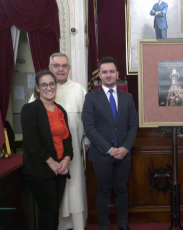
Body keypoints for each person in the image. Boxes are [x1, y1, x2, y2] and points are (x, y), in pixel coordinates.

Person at [29, 53, 88, 230]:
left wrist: (76, 151)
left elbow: (86, 123)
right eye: (56, 66)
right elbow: (33, 134)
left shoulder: (79, 90)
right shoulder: (37, 96)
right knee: (50, 205)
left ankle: (76, 225)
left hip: (71, 155)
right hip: (47, 160)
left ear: (69, 68)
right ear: (50, 67)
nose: (60, 69)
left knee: (74, 191)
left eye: (64, 66)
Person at [82, 56, 138, 230]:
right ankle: (104, 226)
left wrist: (125, 148)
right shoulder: (91, 98)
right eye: (104, 72)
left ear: (117, 73)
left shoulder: (127, 97)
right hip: (101, 155)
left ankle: (123, 225)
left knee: (122, 191)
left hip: (124, 154)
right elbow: (89, 128)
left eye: (111, 71)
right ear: (99, 74)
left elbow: (133, 125)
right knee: (103, 192)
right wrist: (109, 149)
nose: (108, 75)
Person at [21, 70, 73, 230]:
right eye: (44, 84)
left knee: (54, 211)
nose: (48, 87)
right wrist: (52, 163)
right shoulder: (30, 109)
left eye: (51, 83)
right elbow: (32, 143)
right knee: (47, 213)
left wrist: (66, 159)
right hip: (40, 170)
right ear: (37, 87)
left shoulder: (61, 110)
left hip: (60, 170)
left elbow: (67, 140)